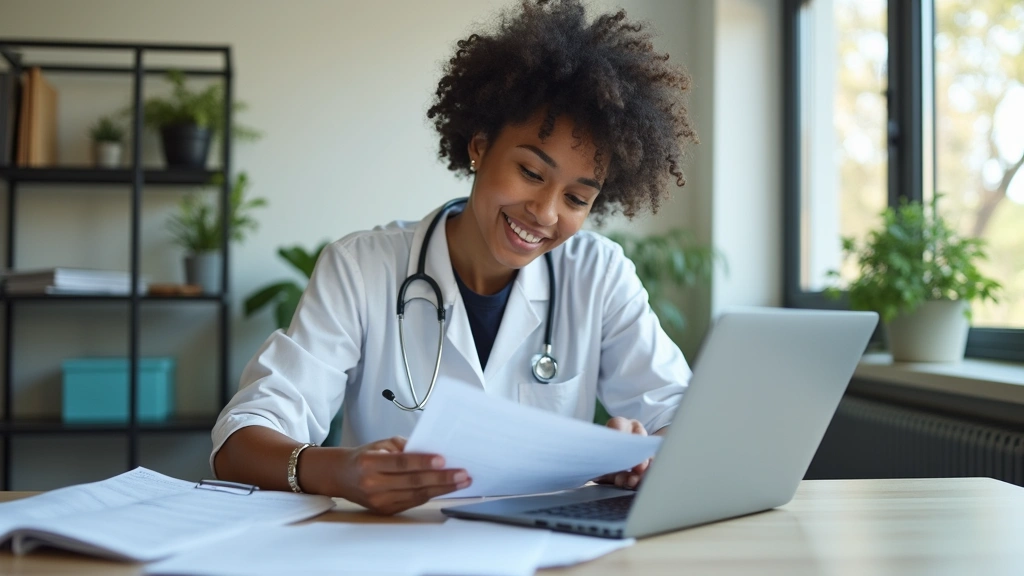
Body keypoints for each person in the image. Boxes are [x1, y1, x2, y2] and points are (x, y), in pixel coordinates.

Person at [212, 0, 697, 515]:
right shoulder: (361, 268)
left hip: (547, 547)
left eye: (576, 198)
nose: (545, 212)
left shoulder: (598, 274)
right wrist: (339, 471)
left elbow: (683, 417)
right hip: (399, 544)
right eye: (531, 173)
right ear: (479, 147)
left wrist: (643, 456)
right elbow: (240, 442)